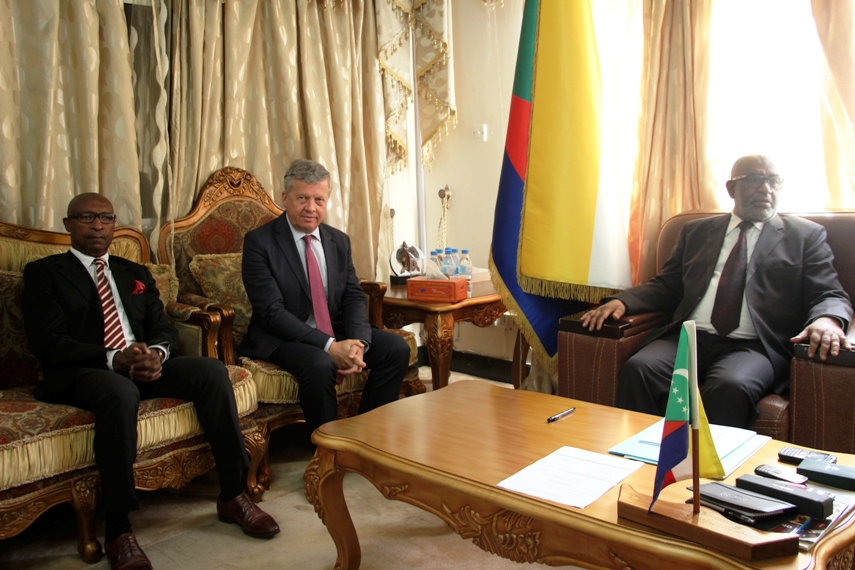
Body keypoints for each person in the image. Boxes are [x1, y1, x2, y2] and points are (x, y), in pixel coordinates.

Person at [23, 194, 279, 570]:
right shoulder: (44, 273)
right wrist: (115, 358)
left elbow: (162, 328)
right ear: (68, 224)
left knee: (210, 372)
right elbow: (50, 344)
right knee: (119, 390)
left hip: (144, 364)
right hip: (85, 372)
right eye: (86, 217)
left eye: (105, 218)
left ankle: (232, 494)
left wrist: (156, 356)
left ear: (113, 225)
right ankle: (119, 528)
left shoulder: (135, 273)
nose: (97, 225)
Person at [580, 154, 853, 428]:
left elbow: (829, 293)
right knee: (639, 370)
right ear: (732, 188)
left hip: (753, 347)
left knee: (730, 386)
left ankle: (709, 468)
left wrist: (828, 319)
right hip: (689, 336)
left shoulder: (804, 236)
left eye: (774, 181)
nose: (766, 189)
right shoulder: (696, 232)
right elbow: (667, 284)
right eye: (755, 180)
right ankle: (636, 458)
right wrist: (624, 302)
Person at [240, 159, 409, 436]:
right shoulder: (260, 242)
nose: (311, 208)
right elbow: (271, 311)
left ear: (327, 200)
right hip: (282, 337)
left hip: (334, 327)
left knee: (395, 349)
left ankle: (366, 436)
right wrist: (330, 346)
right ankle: (328, 454)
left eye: (319, 199)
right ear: (285, 198)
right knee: (320, 363)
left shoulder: (338, 241)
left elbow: (353, 296)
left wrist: (358, 343)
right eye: (302, 198)